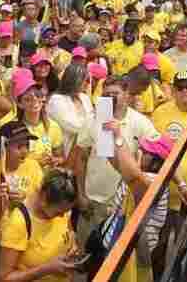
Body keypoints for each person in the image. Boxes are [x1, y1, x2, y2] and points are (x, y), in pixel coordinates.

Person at [72, 76, 159, 248]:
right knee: (86, 253)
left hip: (124, 204)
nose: (111, 97)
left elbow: (157, 153)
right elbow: (81, 157)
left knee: (114, 255)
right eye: (107, 94)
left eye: (116, 93)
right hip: (94, 201)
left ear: (127, 94)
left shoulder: (141, 122)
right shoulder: (92, 119)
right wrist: (80, 194)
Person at [99, 127, 174, 282]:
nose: (139, 152)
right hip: (116, 245)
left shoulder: (153, 181)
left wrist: (119, 137)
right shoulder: (142, 174)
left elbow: (132, 174)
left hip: (132, 253)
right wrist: (105, 130)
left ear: (156, 160)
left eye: (144, 152)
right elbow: (112, 159)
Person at [0, 167, 79, 282]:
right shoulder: (19, 223)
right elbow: (4, 277)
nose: (62, 216)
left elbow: (69, 230)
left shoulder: (62, 206)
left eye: (67, 211)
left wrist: (72, 244)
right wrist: (45, 269)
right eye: (58, 212)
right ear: (44, 200)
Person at [152, 72, 187, 221]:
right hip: (168, 190)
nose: (184, 91)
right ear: (173, 90)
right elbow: (155, 149)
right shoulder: (160, 113)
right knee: (161, 237)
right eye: (180, 88)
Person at [46, 63, 93, 159]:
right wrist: (95, 125)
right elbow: (75, 126)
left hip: (86, 149)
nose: (89, 84)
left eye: (89, 80)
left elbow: (91, 121)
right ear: (74, 80)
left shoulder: (84, 98)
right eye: (86, 80)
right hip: (66, 152)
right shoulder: (56, 100)